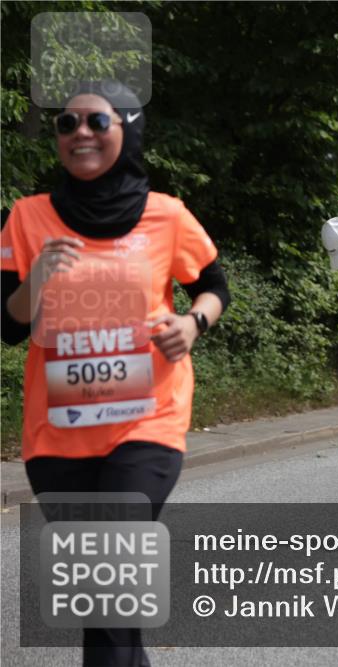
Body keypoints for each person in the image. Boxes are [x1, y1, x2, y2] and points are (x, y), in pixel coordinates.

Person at [0, 81, 229, 666]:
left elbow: (212, 285)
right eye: (67, 124)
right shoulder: (28, 219)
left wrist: (194, 322)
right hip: (57, 433)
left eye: (96, 123)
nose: (80, 133)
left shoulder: (167, 215)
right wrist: (37, 281)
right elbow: (7, 324)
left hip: (147, 422)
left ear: (126, 131)